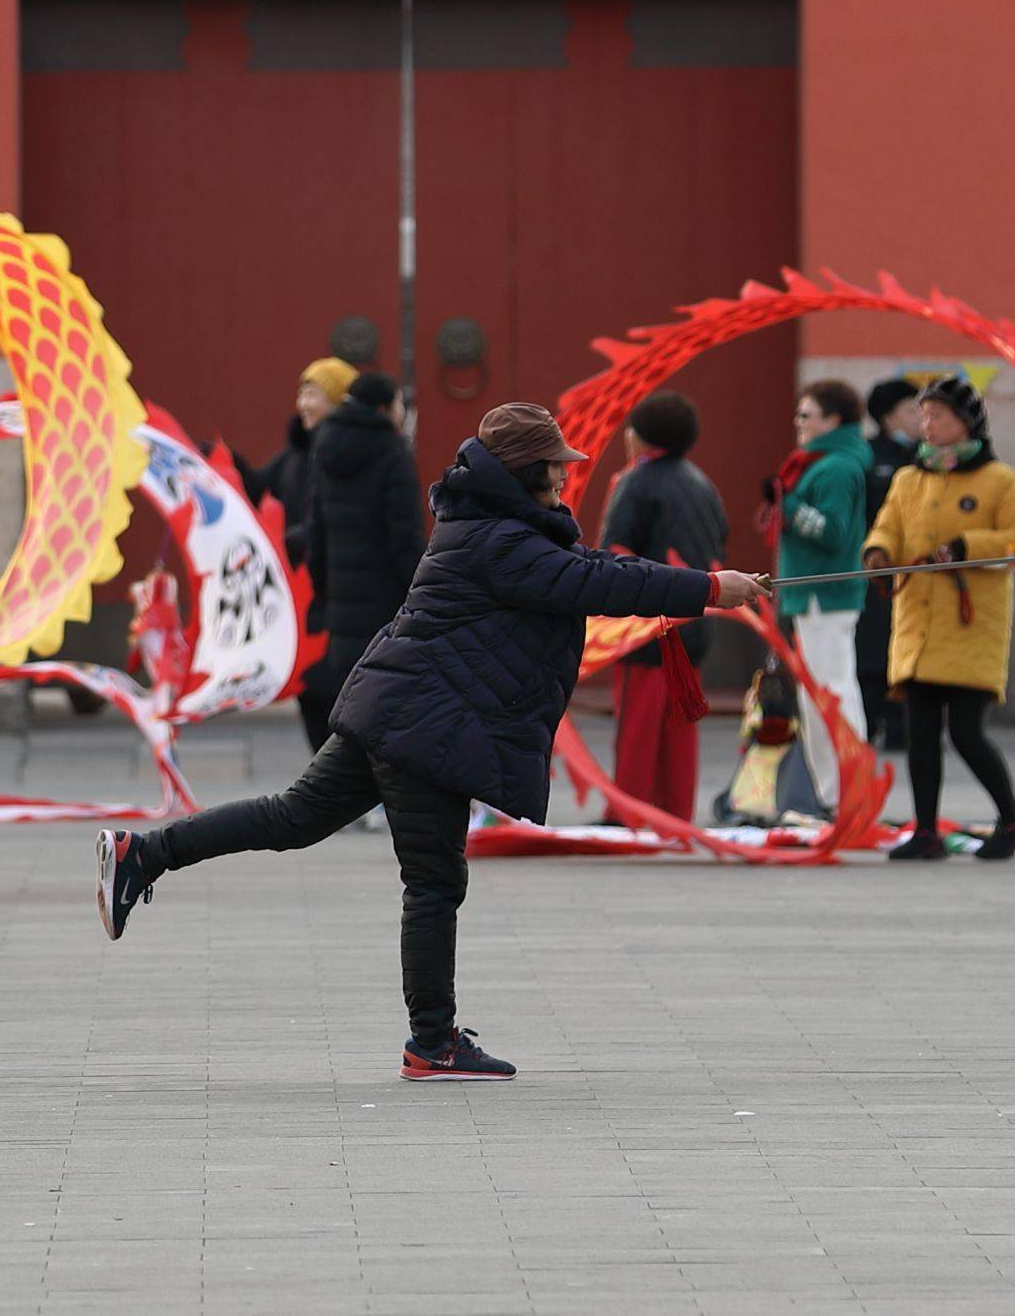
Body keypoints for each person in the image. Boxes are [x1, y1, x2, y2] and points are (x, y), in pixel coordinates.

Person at [97, 401, 768, 1081]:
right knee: (434, 880)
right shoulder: (498, 539)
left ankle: (145, 852)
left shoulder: (494, 524)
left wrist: (710, 586)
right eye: (556, 467)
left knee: (292, 818)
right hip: (424, 725)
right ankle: (432, 1041)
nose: (565, 479)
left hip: (400, 709)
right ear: (527, 469)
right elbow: (597, 581)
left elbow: (586, 564)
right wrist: (709, 586)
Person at [864, 374, 1015, 859]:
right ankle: (925, 830)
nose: (928, 424)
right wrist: (878, 554)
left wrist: (966, 547)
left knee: (966, 730)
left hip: (970, 624)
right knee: (920, 731)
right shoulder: (909, 478)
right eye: (924, 415)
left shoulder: (998, 480)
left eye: (938, 415)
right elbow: (887, 527)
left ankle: (1012, 818)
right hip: (918, 623)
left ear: (966, 423)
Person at [600, 391, 729, 822]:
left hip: (646, 622)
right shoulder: (702, 482)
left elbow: (615, 552)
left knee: (637, 725)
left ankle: (629, 812)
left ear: (641, 436)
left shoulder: (634, 482)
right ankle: (674, 813)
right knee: (680, 725)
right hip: (695, 619)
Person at [294, 369, 423, 747]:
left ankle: (347, 793)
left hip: (341, 605)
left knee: (350, 703)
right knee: (391, 704)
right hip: (386, 605)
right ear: (384, 407)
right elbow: (404, 536)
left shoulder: (326, 447)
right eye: (399, 404)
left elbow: (316, 530)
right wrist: (419, 590)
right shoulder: (392, 453)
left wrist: (324, 591)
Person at [773, 380, 879, 814]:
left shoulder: (835, 466)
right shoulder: (826, 461)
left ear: (832, 420)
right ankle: (834, 795)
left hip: (823, 592)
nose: (798, 423)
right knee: (820, 696)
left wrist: (789, 508)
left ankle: (846, 794)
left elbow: (832, 530)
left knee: (831, 693)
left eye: (806, 414)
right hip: (814, 592)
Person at [853, 376, 920, 740]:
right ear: (888, 417)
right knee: (871, 647)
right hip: (874, 571)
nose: (919, 418)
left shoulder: (926, 458)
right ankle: (868, 722)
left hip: (916, 573)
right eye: (911, 410)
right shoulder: (867, 457)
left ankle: (902, 726)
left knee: (906, 647)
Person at [247, 356, 353, 563]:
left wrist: (307, 535)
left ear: (337, 401)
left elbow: (345, 515)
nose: (302, 404)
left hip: (333, 570)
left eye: (311, 395)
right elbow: (254, 487)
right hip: (295, 571)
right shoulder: (295, 454)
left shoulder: (348, 454)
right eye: (301, 395)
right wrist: (227, 464)